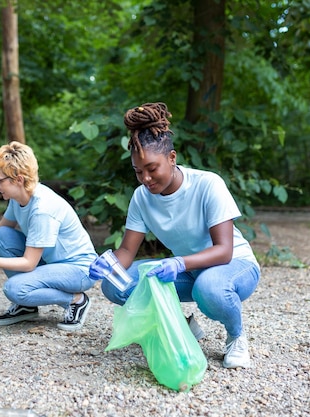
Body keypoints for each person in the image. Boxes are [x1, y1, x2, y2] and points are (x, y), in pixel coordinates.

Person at [89, 102, 261, 369]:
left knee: (210, 289)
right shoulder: (141, 198)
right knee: (116, 285)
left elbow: (224, 250)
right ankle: (182, 327)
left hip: (232, 265)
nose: (145, 178)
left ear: (171, 158)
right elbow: (126, 253)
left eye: (152, 168)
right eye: (138, 171)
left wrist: (180, 262)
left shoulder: (207, 184)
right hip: (190, 269)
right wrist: (108, 264)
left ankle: (236, 336)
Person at [0, 141, 97, 332]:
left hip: (78, 269)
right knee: (2, 235)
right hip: (52, 263)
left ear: (18, 179)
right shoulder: (20, 197)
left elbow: (28, 263)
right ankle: (27, 306)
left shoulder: (42, 209)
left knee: (14, 289)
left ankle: (76, 300)